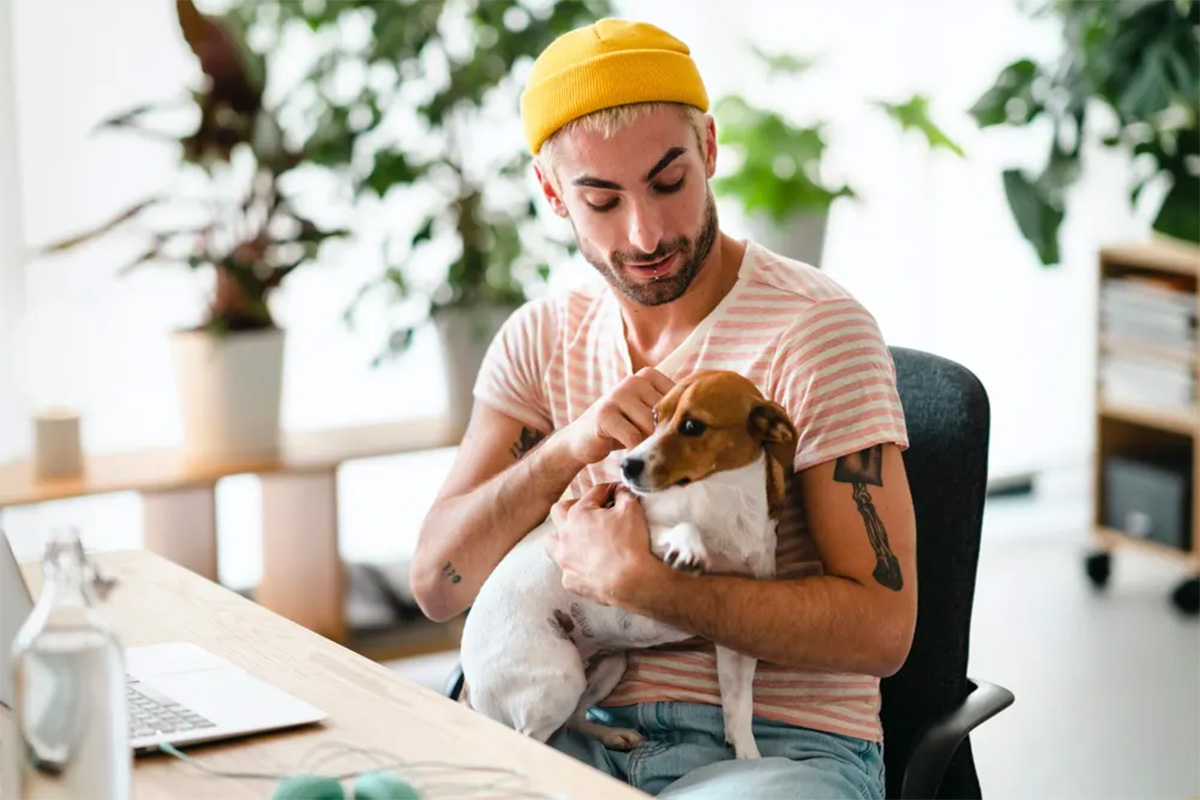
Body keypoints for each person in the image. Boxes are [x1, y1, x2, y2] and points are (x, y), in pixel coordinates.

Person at [410, 18, 917, 800]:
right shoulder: (539, 341)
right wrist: (564, 450)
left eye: (668, 182)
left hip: (770, 754)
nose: (645, 232)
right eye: (602, 200)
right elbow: (440, 584)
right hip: (563, 731)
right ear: (551, 193)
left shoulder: (817, 333)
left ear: (709, 150)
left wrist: (650, 587)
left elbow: (883, 631)